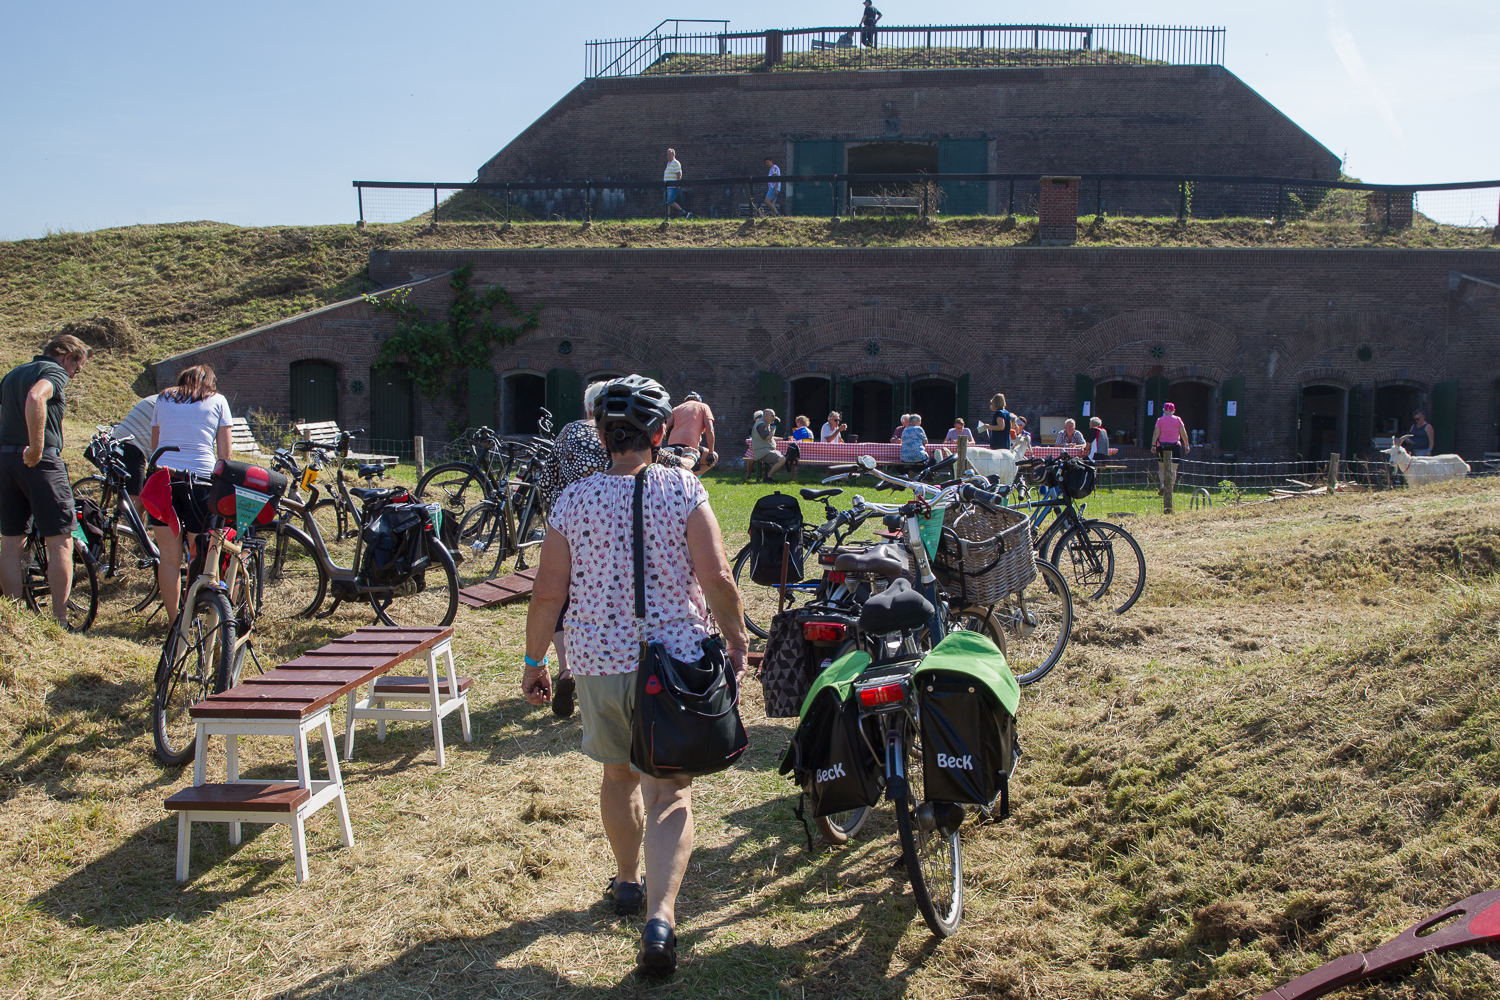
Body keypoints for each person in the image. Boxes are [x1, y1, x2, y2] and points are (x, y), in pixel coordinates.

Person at [522, 375, 749, 977]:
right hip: (672, 662)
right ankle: (660, 917)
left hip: (599, 663)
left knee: (617, 776)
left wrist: (534, 660)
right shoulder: (682, 488)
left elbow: (547, 595)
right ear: (657, 433)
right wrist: (736, 635)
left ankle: (625, 882)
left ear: (601, 433)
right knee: (670, 791)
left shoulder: (571, 502)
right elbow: (719, 577)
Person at [0, 334, 90, 628]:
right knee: (60, 540)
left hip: (5, 459)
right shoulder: (52, 372)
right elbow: (37, 396)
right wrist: (37, 446)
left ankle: (13, 620)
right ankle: (60, 621)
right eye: (77, 368)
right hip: (38, 461)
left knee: (11, 542)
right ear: (67, 357)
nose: (75, 375)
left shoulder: (13, 373)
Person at [148, 364, 234, 625]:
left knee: (169, 558)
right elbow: (225, 454)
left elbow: (156, 445)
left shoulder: (163, 398)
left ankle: (175, 621)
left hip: (164, 480)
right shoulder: (218, 400)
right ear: (211, 382)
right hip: (201, 481)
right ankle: (197, 615)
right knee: (200, 554)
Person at [113, 394, 156, 512]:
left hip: (130, 443)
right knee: (137, 499)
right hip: (129, 445)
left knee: (142, 497)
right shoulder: (170, 404)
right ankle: (128, 530)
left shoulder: (166, 399)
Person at [663, 391, 718, 473]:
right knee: (715, 456)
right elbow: (710, 430)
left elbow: (664, 427)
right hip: (691, 447)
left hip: (672, 446)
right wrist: (710, 452)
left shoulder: (677, 408)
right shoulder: (704, 406)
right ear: (699, 401)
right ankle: (695, 476)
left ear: (686, 401)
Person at [750, 408, 787, 480]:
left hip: (766, 451)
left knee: (786, 456)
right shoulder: (761, 425)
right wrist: (775, 426)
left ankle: (790, 477)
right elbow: (769, 437)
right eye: (773, 416)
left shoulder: (765, 424)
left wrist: (783, 439)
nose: (774, 418)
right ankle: (768, 477)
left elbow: (771, 437)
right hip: (762, 452)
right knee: (782, 459)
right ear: (766, 416)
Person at [663, 149, 692, 220]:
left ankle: (684, 212)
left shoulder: (676, 163)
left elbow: (679, 173)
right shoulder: (668, 163)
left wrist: (677, 183)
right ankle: (668, 217)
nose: (668, 156)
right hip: (667, 186)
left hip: (672, 186)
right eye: (667, 154)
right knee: (667, 203)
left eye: (670, 154)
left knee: (670, 201)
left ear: (673, 155)